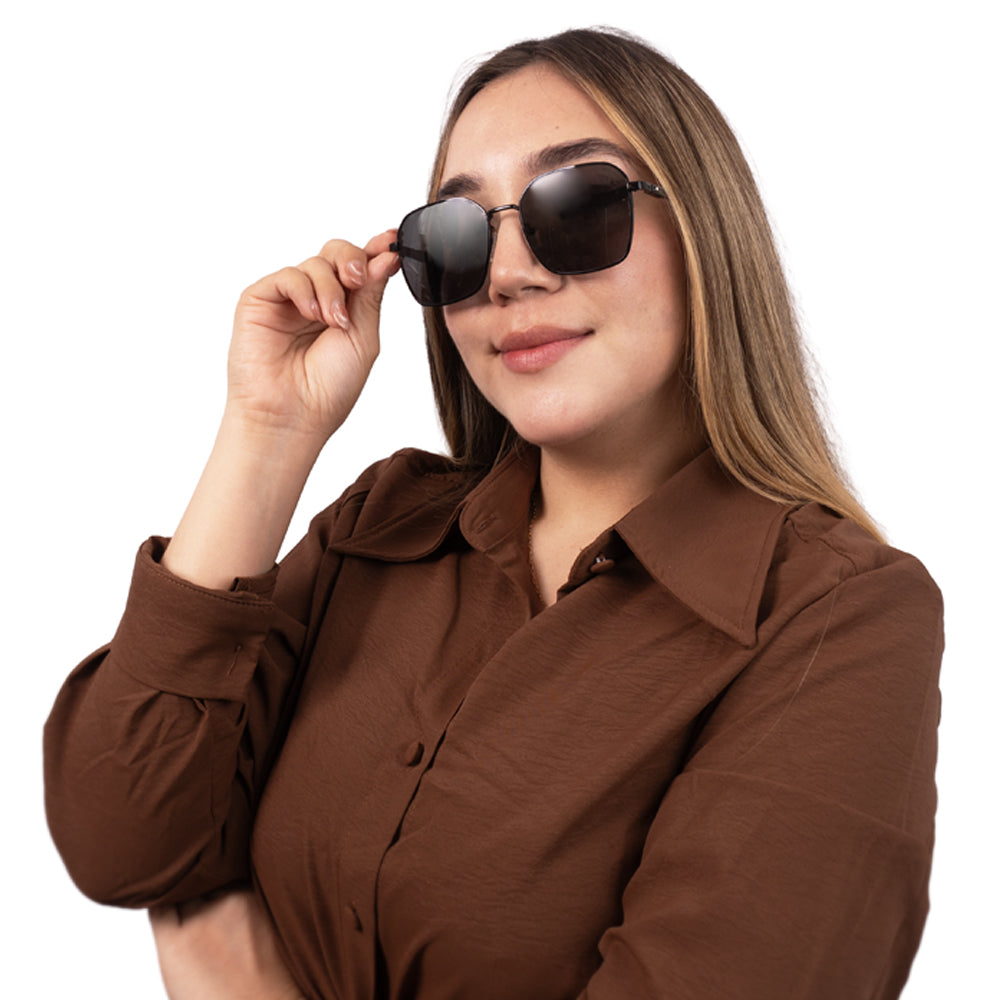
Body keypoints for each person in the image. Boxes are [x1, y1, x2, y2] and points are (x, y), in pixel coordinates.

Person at [43, 27, 943, 1000]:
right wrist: (267, 432)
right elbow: (123, 840)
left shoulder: (837, 615)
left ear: (704, 232)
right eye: (458, 237)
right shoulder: (381, 526)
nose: (507, 274)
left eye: (579, 206)